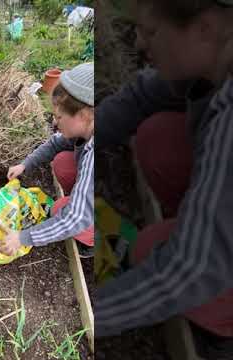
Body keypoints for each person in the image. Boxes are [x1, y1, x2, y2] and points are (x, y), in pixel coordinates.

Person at [95, 0, 233, 357]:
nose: (140, 43)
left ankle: (221, 328)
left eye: (152, 32)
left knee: (149, 248)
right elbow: (140, 97)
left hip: (208, 265)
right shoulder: (213, 60)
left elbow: (191, 268)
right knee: (158, 138)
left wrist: (85, 313)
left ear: (205, 28)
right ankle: (200, 224)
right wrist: (74, 139)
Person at [0, 62, 94, 258]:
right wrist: (25, 164)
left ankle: (93, 240)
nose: (55, 123)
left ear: (84, 115)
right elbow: (56, 143)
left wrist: (21, 238)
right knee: (63, 163)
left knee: (60, 210)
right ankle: (84, 199)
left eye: (58, 117)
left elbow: (75, 219)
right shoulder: (90, 125)